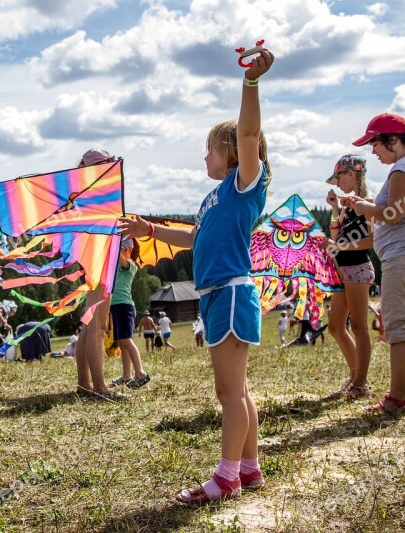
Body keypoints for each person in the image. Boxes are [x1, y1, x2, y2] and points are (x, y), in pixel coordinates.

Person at [119, 48, 274, 503]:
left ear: (228, 152)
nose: (202, 156)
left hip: (229, 293)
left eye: (208, 148)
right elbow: (191, 238)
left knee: (228, 392)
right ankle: (248, 467)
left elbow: (249, 131)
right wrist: (149, 229)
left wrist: (250, 83)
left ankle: (225, 478)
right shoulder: (214, 199)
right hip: (217, 294)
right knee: (238, 390)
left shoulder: (245, 183)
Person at [344, 113, 405, 412]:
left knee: (400, 327)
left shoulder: (403, 168)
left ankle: (395, 398)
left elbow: (394, 214)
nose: (373, 151)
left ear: (393, 140)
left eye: (375, 144)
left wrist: (363, 207)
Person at [73, 148, 126, 401]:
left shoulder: (86, 196)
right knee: (96, 326)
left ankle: (85, 384)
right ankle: (100, 388)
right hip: (96, 260)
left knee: (89, 325)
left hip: (94, 260)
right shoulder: (92, 197)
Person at [322, 155, 375, 398]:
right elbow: (336, 233)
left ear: (351, 174)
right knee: (335, 326)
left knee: (358, 326)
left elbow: (372, 240)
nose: (337, 184)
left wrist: (342, 247)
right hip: (343, 270)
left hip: (358, 268)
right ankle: (355, 377)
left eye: (339, 178)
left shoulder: (369, 202)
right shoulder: (347, 205)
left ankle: (360, 382)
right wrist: (335, 209)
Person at [109, 238, 150, 389]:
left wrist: (112, 241)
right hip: (115, 306)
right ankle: (127, 375)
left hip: (125, 306)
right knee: (121, 343)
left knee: (126, 341)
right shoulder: (117, 265)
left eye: (120, 250)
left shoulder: (131, 265)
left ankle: (140, 373)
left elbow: (116, 254)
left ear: (128, 250)